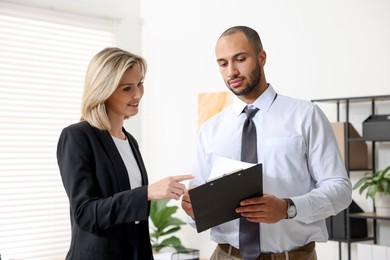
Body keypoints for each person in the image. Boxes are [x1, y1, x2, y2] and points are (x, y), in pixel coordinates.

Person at [181, 26, 352, 260]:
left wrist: (288, 208)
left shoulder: (306, 115)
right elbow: (198, 207)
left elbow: (340, 189)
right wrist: (193, 210)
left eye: (240, 59)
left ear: (262, 58)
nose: (232, 71)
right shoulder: (210, 130)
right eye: (223, 63)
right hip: (226, 255)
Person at [57, 47, 193, 260]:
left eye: (140, 84)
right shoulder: (77, 137)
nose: (137, 94)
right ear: (104, 90)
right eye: (127, 88)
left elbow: (131, 214)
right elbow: (85, 214)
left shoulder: (130, 141)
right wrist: (147, 192)